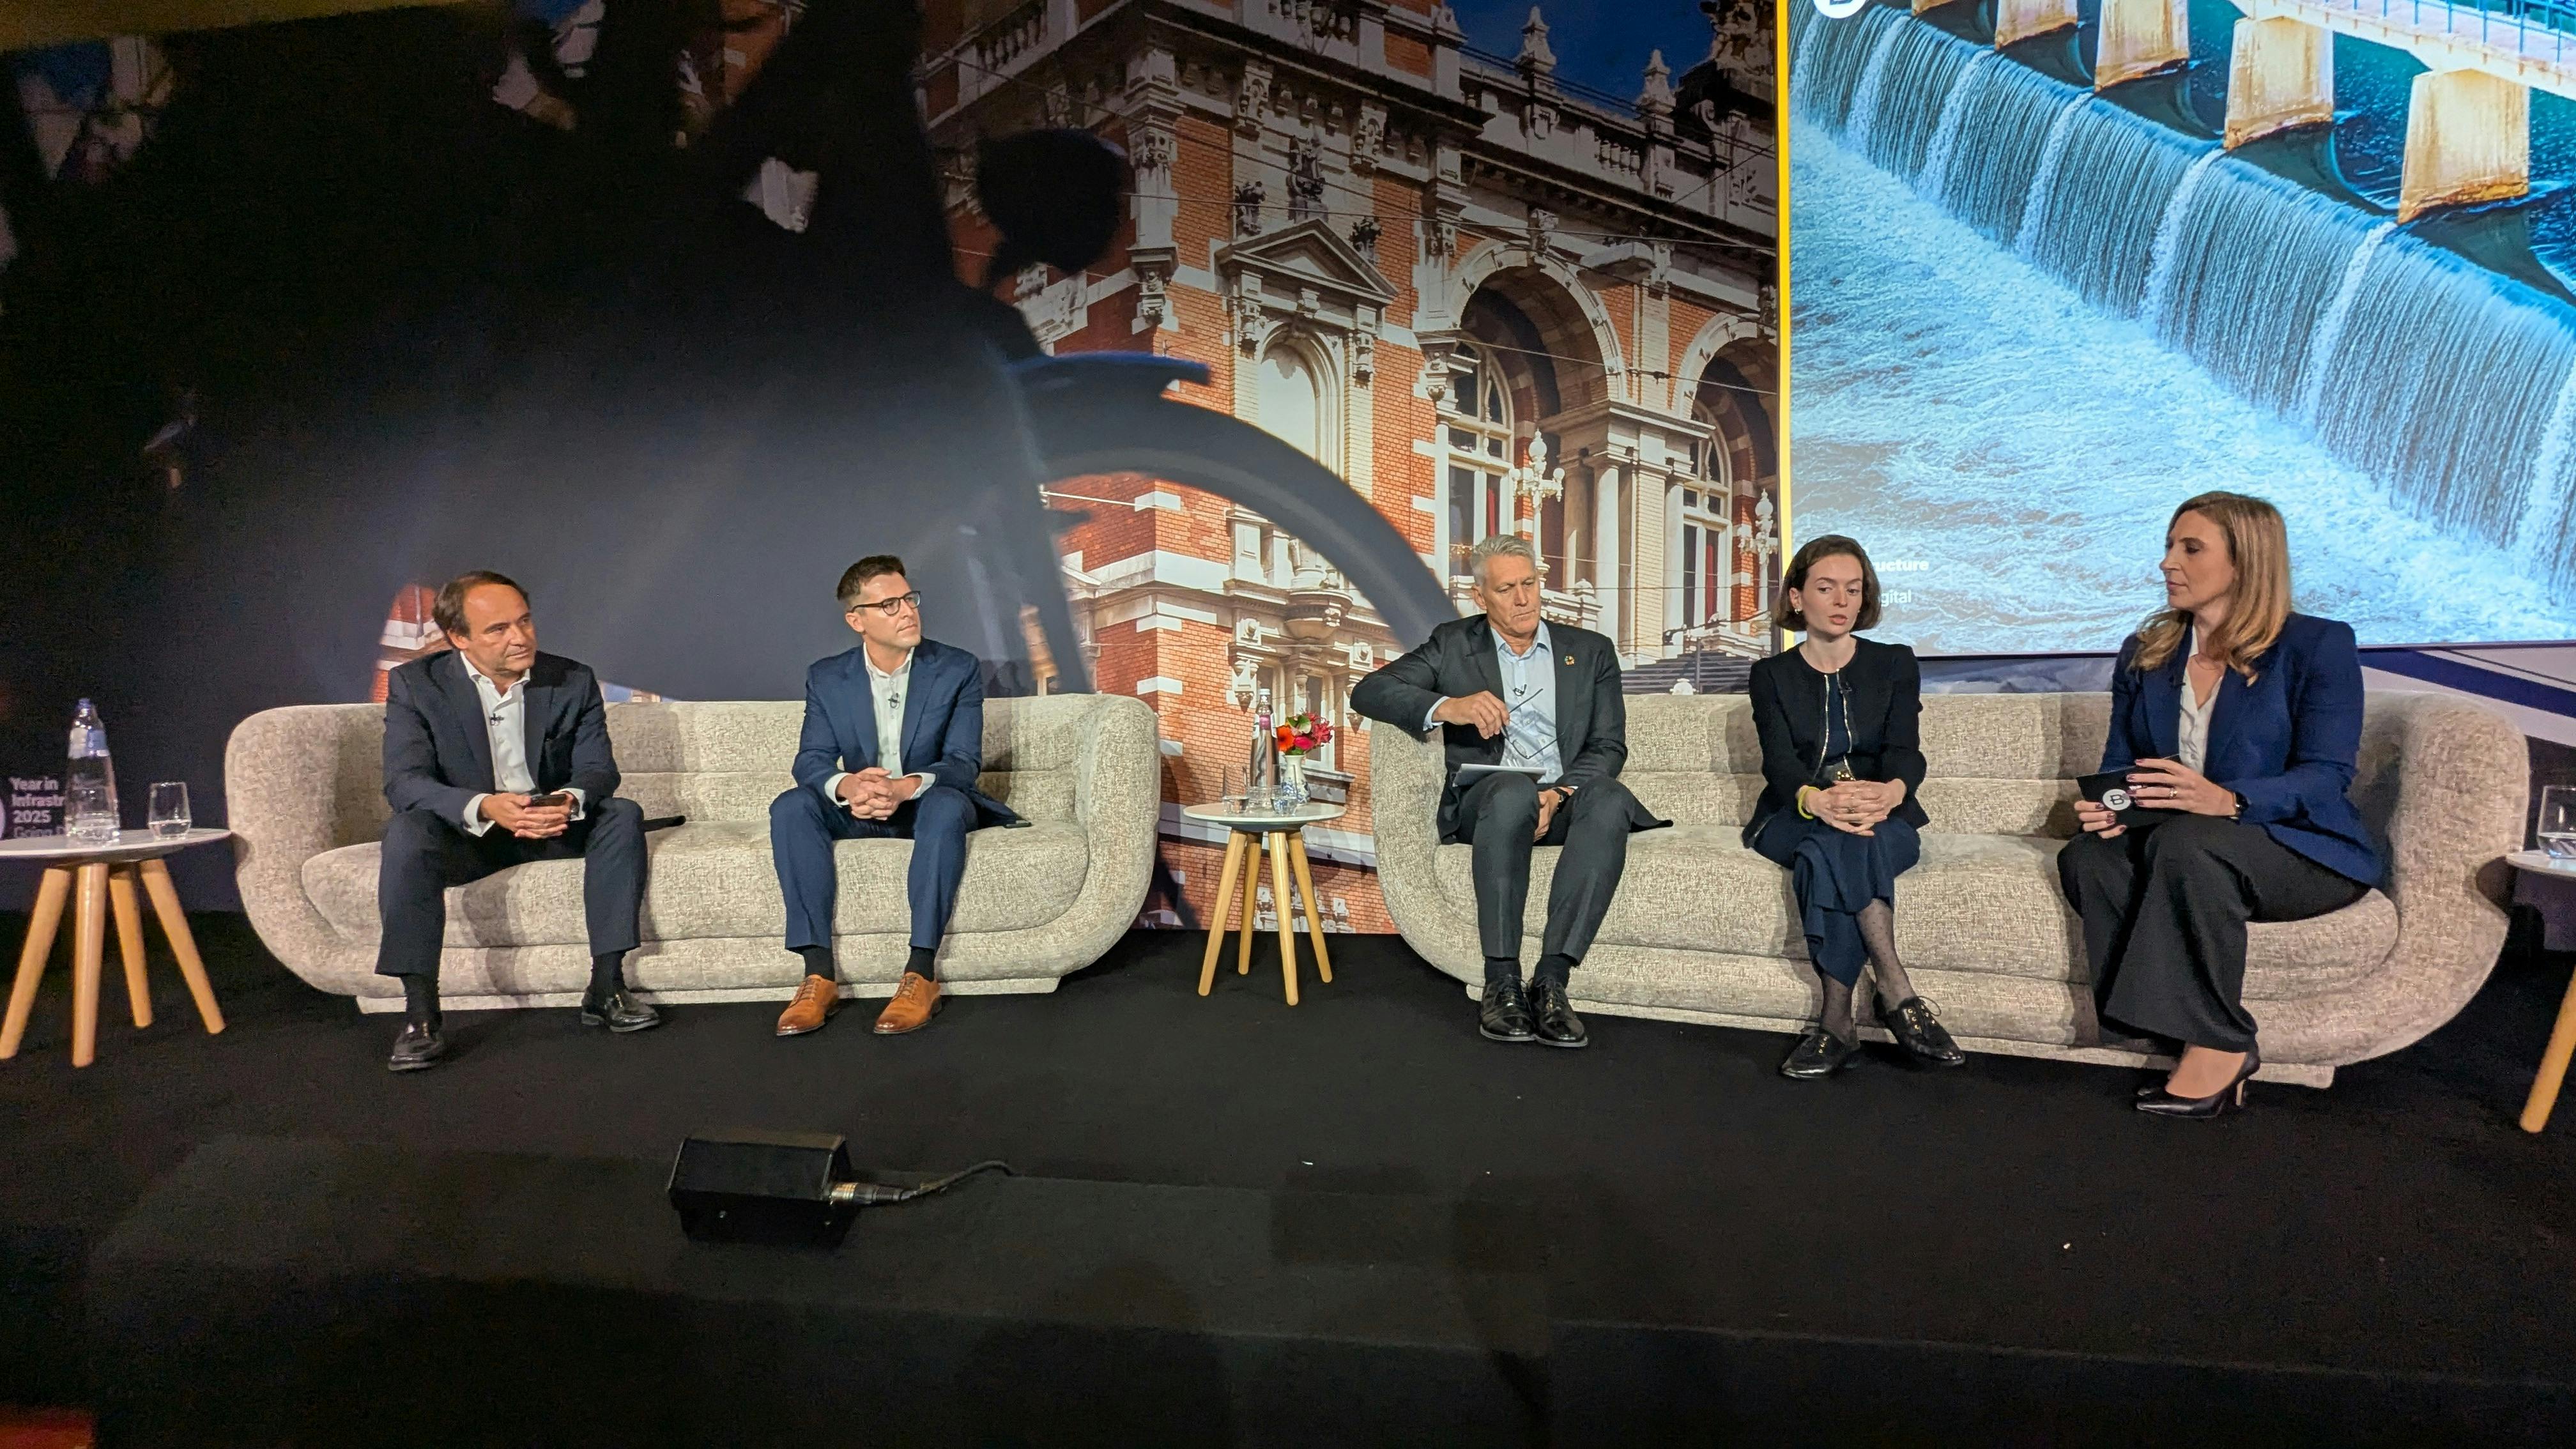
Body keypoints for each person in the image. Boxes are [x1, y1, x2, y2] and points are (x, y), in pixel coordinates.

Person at [2056, 493, 2380, 1118]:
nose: (2166, 563)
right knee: (2088, 858)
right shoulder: (2146, 653)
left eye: (2190, 548)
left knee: (2190, 844)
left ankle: (2220, 1045)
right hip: (2190, 840)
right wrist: (2110, 808)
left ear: (2245, 562)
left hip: (2301, 844)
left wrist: (2230, 799)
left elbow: (2327, 775)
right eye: (2170, 546)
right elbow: (2124, 765)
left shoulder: (2318, 646)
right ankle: (2162, 1029)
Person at [1349, 535, 1666, 1048]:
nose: (1523, 600)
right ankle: (1501, 981)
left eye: (1530, 584)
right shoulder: (1453, 644)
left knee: (1608, 797)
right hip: (1488, 800)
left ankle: (1552, 982)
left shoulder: (1589, 652)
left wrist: (1561, 794)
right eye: (1507, 589)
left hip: (1560, 798)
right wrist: (1446, 706)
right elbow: (1369, 690)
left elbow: (1608, 745)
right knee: (1512, 791)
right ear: (1481, 598)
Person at [376, 571, 658, 1073]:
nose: (520, 638)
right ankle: (420, 1015)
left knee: (621, 814)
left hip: (550, 825)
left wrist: (567, 802)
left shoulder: (570, 678)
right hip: (472, 833)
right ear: (458, 638)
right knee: (406, 831)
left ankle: (607, 987)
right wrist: (484, 805)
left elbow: (598, 769)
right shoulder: (416, 685)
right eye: (498, 630)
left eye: (525, 622)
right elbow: (406, 783)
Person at [770, 555, 1022, 1038]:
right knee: (792, 806)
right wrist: (849, 786)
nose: (908, 611)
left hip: (927, 803)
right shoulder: (827, 676)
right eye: (889, 605)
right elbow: (811, 759)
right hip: (862, 806)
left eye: (910, 599)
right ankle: (817, 976)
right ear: (857, 619)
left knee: (949, 804)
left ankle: (921, 974)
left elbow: (962, 762)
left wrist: (905, 786)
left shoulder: (956, 668)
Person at [1747, 536, 1965, 1079]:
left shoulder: (1893, 663)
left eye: (1853, 588)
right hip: (1793, 813)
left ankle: (1836, 1023)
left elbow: (1906, 751)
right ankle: (1896, 990)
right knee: (1829, 837)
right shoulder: (1770, 676)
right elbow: (1779, 764)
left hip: (1884, 813)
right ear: (1797, 598)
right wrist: (1816, 800)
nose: (1841, 600)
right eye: (1826, 588)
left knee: (1837, 848)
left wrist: (1891, 793)